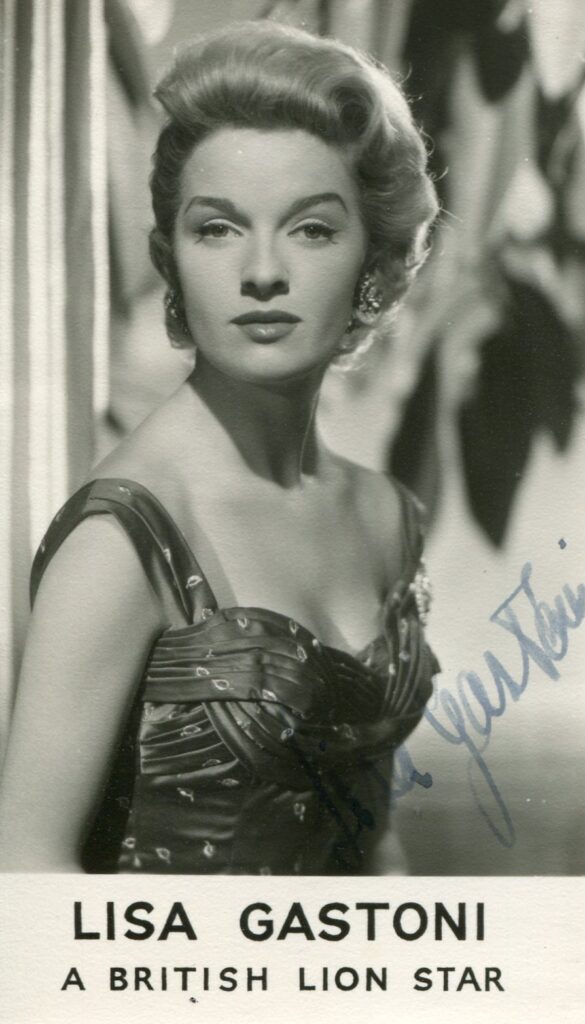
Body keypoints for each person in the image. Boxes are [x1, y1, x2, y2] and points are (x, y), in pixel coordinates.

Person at [0, 20, 439, 874]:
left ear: (373, 263)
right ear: (170, 259)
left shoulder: (385, 516)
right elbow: (24, 872)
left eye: (311, 229)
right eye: (217, 229)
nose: (261, 271)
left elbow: (374, 840)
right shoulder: (122, 540)